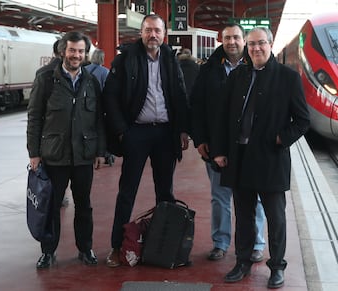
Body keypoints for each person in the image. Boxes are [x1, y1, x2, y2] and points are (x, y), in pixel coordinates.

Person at [211, 27, 310, 288]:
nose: (256, 48)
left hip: (271, 160)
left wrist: (279, 139)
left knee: (276, 219)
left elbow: (302, 121)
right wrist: (219, 151)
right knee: (243, 216)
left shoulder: (288, 78)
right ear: (247, 46)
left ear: (270, 44)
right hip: (240, 158)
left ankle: (277, 267)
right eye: (252, 44)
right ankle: (242, 262)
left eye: (261, 43)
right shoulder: (237, 76)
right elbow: (222, 117)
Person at [102, 14, 190, 268]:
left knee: (166, 193)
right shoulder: (125, 59)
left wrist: (183, 130)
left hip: (165, 133)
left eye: (157, 31)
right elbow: (111, 97)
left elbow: (180, 96)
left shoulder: (171, 61)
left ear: (164, 35)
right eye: (148, 30)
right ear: (141, 33)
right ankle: (117, 247)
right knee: (127, 192)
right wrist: (122, 131)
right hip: (136, 133)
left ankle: (166, 246)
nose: (153, 35)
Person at [27, 31, 106, 269]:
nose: (76, 55)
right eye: (72, 50)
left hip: (83, 154)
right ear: (63, 51)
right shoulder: (46, 78)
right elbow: (35, 117)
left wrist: (100, 151)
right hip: (54, 154)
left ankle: (85, 248)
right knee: (51, 205)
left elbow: (99, 120)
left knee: (84, 205)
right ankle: (48, 251)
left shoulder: (91, 81)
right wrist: (34, 153)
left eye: (81, 51)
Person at [190, 23, 266, 263]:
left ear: (244, 40)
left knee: (254, 197)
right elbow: (197, 106)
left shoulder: (257, 65)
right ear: (221, 41)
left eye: (236, 37)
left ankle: (256, 243)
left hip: (249, 146)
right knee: (220, 196)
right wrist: (200, 138)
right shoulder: (209, 69)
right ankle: (220, 243)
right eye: (227, 38)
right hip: (217, 144)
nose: (231, 42)